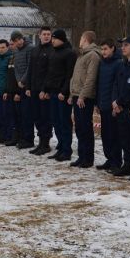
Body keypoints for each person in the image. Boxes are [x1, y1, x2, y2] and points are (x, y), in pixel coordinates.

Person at [69, 31, 101, 168]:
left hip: (85, 97)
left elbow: (90, 78)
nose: (80, 40)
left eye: (81, 38)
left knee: (86, 128)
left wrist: (82, 95)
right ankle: (81, 156)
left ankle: (88, 158)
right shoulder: (81, 55)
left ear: (86, 39)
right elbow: (75, 76)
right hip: (77, 95)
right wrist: (72, 94)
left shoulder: (93, 55)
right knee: (80, 128)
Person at [110, 37, 130, 177]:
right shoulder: (122, 64)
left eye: (126, 45)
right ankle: (127, 164)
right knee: (124, 139)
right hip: (120, 107)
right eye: (122, 45)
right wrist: (115, 102)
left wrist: (121, 102)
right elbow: (116, 84)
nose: (123, 48)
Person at [45, 29, 77, 162]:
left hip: (62, 93)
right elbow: (50, 73)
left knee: (64, 122)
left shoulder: (69, 53)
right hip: (52, 91)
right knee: (55, 121)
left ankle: (67, 150)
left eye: (55, 38)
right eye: (52, 38)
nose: (52, 40)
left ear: (62, 39)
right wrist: (46, 89)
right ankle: (60, 147)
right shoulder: (53, 52)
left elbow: (69, 75)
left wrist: (64, 92)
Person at [95, 39, 122, 170]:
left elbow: (116, 86)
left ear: (112, 49)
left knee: (114, 135)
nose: (103, 52)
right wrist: (97, 103)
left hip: (112, 106)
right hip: (102, 104)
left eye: (105, 49)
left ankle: (116, 161)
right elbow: (99, 84)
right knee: (105, 135)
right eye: (102, 49)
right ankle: (109, 159)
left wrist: (114, 103)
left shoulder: (118, 64)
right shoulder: (102, 64)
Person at [27, 27, 54, 154]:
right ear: (39, 35)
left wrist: (45, 90)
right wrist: (28, 87)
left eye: (49, 34)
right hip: (34, 89)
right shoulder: (35, 50)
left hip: (45, 91)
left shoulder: (52, 50)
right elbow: (31, 70)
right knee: (36, 116)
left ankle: (45, 143)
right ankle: (40, 143)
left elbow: (50, 72)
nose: (47, 36)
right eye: (44, 34)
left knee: (45, 117)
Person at [9, 31, 34, 148]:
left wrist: (23, 80)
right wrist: (19, 81)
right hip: (21, 86)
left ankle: (29, 139)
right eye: (14, 42)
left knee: (28, 114)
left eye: (18, 40)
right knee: (23, 114)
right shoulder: (16, 51)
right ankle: (23, 138)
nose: (17, 43)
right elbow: (16, 69)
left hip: (28, 85)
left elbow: (30, 67)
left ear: (21, 39)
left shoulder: (30, 48)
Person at [0, 39, 14, 144]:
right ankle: (2, 134)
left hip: (6, 91)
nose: (0, 50)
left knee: (7, 114)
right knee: (0, 114)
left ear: (7, 47)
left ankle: (8, 135)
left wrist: (7, 91)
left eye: (3, 47)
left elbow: (10, 77)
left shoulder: (10, 58)